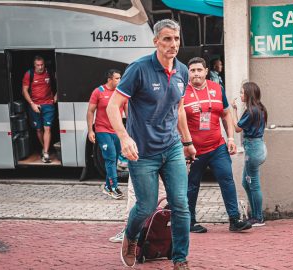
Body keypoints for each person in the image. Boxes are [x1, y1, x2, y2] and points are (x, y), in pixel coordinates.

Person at [106, 19, 195, 270]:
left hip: (172, 146)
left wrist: (187, 141)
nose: (173, 44)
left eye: (176, 39)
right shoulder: (139, 69)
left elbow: (178, 109)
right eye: (167, 39)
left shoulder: (183, 71)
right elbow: (113, 106)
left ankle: (180, 259)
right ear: (155, 41)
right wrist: (124, 138)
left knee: (180, 203)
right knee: (145, 206)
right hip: (143, 152)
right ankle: (131, 237)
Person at [184, 57, 251, 233]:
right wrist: (184, 144)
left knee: (227, 179)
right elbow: (175, 120)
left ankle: (234, 219)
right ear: (188, 73)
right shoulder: (182, 91)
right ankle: (189, 221)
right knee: (192, 185)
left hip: (217, 146)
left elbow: (226, 114)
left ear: (206, 71)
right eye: (192, 70)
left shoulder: (217, 88)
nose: (196, 73)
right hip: (193, 150)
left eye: (199, 70)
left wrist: (230, 138)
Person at [231, 82, 268, 227]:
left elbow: (237, 128)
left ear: (248, 94)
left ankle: (258, 217)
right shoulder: (260, 108)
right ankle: (255, 215)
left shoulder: (251, 111)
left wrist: (233, 111)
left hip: (253, 150)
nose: (240, 95)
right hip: (257, 147)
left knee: (253, 184)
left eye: (242, 92)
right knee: (246, 183)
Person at [87, 69, 127, 200]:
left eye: (120, 78)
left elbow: (128, 112)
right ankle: (114, 188)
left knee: (114, 159)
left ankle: (107, 186)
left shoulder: (121, 92)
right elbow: (90, 111)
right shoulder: (98, 91)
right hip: (102, 130)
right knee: (110, 157)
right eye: (117, 78)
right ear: (109, 79)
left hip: (116, 130)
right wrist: (90, 130)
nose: (120, 81)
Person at [22, 55, 57, 163]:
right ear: (34, 65)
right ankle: (44, 148)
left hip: (48, 104)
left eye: (42, 65)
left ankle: (45, 153)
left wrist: (56, 96)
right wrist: (32, 104)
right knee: (38, 129)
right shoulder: (29, 74)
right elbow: (24, 91)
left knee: (47, 128)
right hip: (35, 105)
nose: (40, 67)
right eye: (38, 65)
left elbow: (63, 81)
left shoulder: (49, 72)